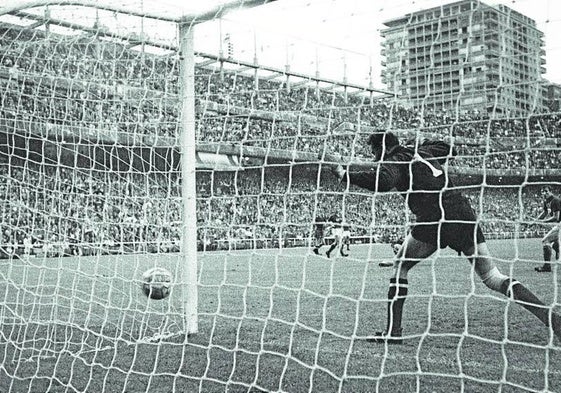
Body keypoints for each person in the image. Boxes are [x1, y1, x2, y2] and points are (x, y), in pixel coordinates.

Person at [329, 131, 561, 344]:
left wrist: (344, 174)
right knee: (492, 277)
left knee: (400, 266)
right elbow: (450, 148)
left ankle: (393, 333)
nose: (373, 158)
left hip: (434, 216)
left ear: (384, 148)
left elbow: (384, 181)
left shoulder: (395, 159)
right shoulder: (422, 151)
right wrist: (420, 146)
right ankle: (553, 320)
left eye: (374, 152)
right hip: (461, 210)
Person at [535, 187, 561, 273]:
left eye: (546, 192)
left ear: (550, 192)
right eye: (542, 192)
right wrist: (536, 220)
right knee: (555, 243)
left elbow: (556, 217)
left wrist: (543, 221)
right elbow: (544, 213)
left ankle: (547, 266)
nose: (544, 194)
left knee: (545, 241)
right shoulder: (546, 201)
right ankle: (558, 254)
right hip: (558, 225)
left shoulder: (555, 200)